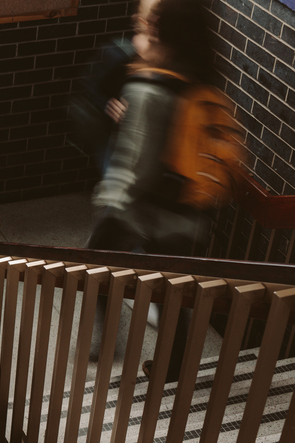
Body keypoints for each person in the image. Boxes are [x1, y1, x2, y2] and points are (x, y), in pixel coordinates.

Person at [87, 0, 219, 382]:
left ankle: (109, 341)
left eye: (151, 25)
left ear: (164, 33)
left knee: (93, 266)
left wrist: (110, 198)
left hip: (142, 210)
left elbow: (136, 166)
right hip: (187, 212)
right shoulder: (203, 79)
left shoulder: (150, 85)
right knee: (173, 292)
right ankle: (172, 369)